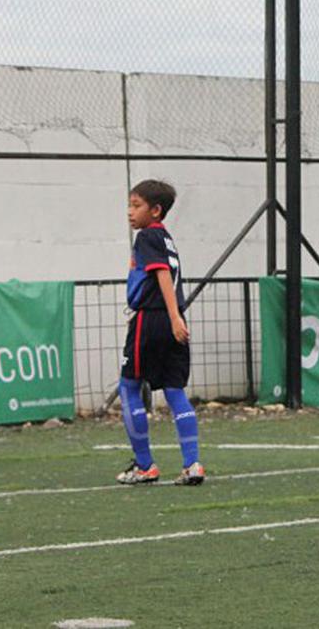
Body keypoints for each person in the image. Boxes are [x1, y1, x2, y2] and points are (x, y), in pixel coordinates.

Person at [114, 179, 204, 486]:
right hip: (169, 319)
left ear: (156, 210)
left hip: (154, 319)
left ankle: (145, 465)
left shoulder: (147, 237)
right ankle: (192, 464)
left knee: (128, 387)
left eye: (136, 206)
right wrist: (177, 317)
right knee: (174, 390)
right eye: (129, 204)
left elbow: (161, 274)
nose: (130, 212)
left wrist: (171, 314)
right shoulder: (165, 238)